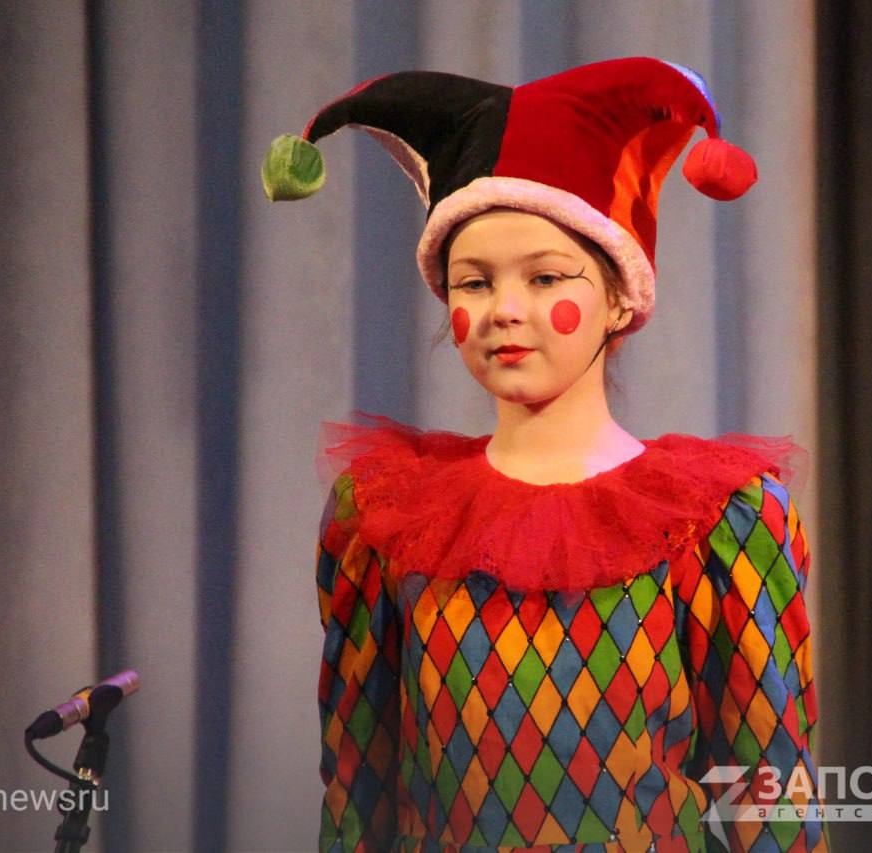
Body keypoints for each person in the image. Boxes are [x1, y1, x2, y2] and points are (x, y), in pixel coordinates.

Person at [264, 57, 829, 853]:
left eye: (545, 277)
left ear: (620, 296)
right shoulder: (386, 521)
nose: (505, 310)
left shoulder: (719, 524)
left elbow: (770, 795)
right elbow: (358, 791)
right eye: (474, 283)